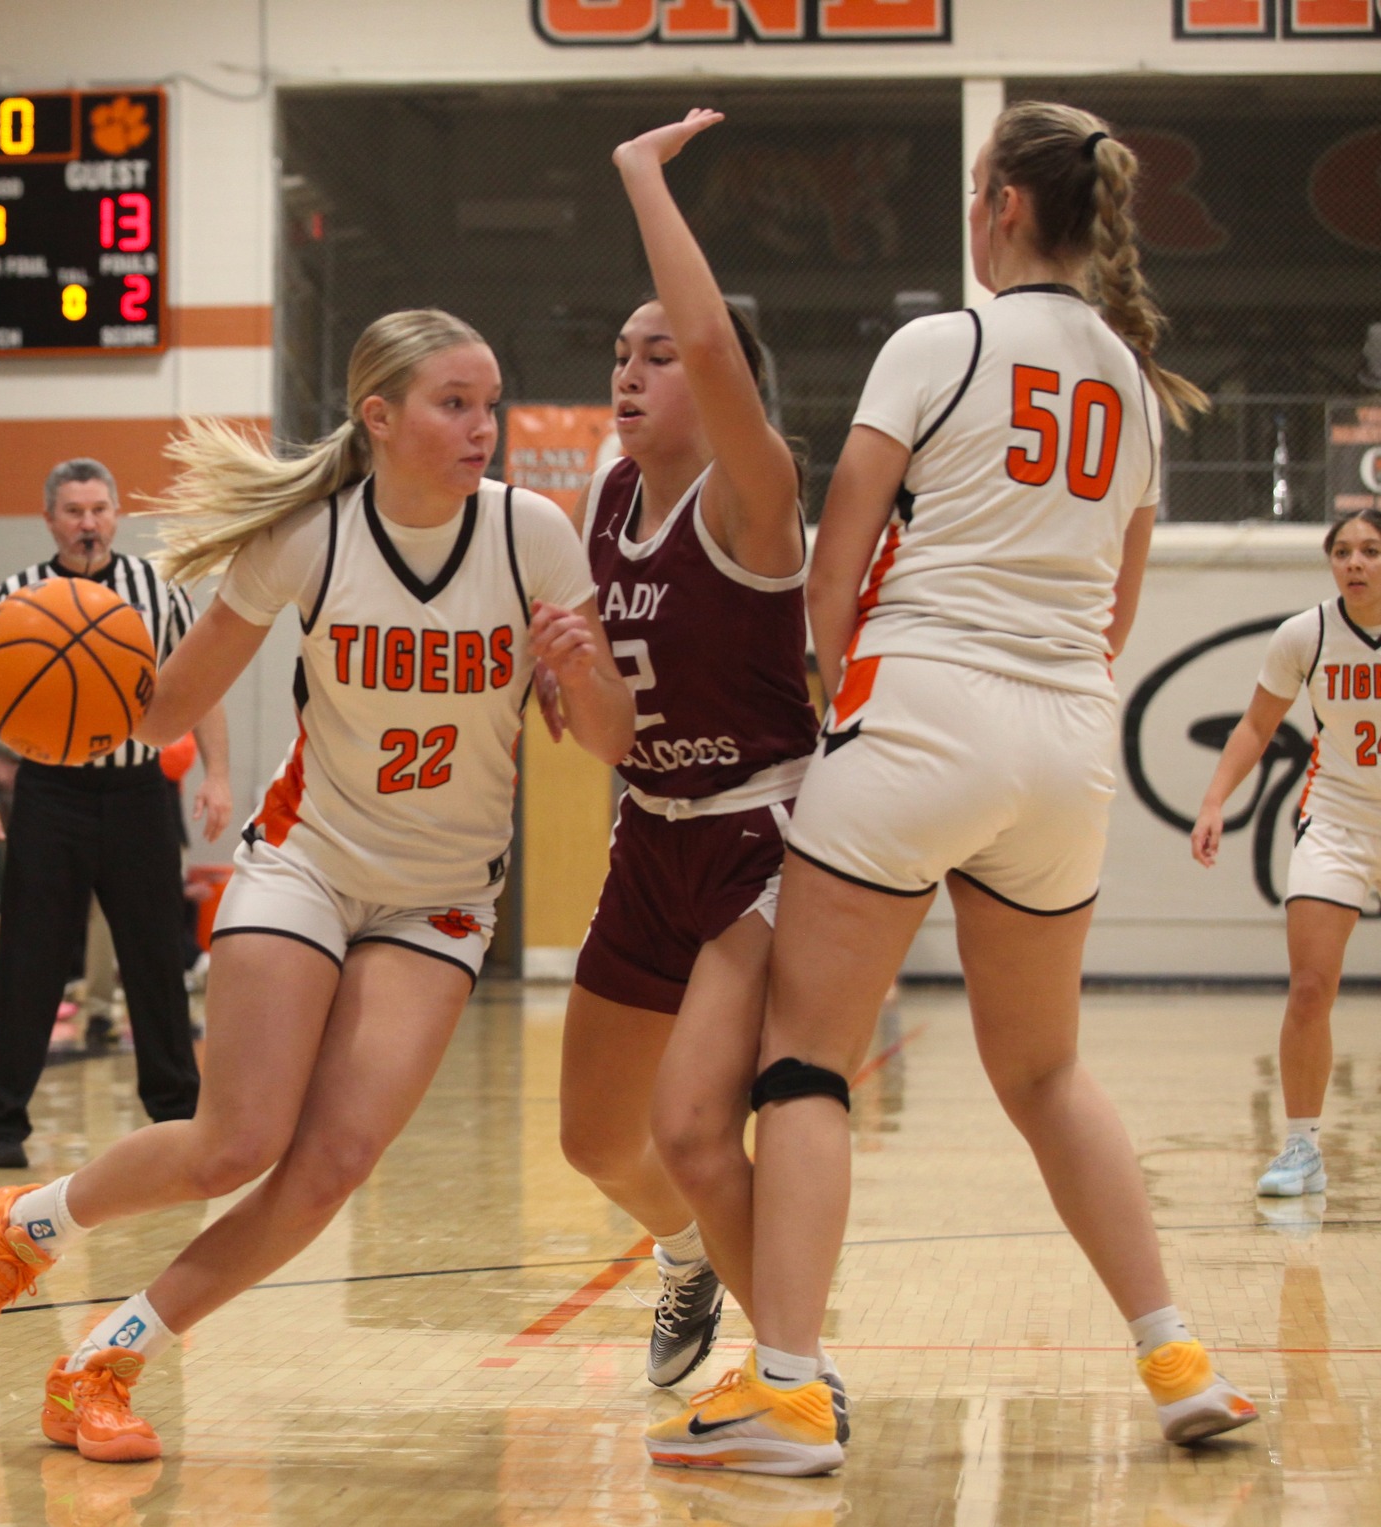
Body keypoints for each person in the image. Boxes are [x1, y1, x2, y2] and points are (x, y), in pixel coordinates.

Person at [653, 103, 1256, 1475]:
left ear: (996, 206)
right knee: (1046, 1067)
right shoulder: (1131, 374)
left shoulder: (942, 342)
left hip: (925, 710)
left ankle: (791, 1389)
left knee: (804, 1059)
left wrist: (832, 714)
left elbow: (834, 557)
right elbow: (1116, 612)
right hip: (1067, 746)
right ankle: (1176, 1355)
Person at [0, 309, 633, 1462]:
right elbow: (155, 712)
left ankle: (106, 1358)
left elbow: (607, 739)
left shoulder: (533, 536)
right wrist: (23, 662)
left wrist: (578, 667)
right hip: (306, 861)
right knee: (230, 1142)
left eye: (489, 401)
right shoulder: (308, 536)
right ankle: (26, 1224)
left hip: (441, 896)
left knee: (331, 1167)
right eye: (454, 403)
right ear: (381, 418)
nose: (481, 427)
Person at [556, 110, 825, 1402]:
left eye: (657, 355)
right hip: (649, 822)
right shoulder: (600, 503)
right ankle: (687, 1261)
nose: (631, 372)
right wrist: (569, 680)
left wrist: (637, 174)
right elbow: (604, 733)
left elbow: (713, 339)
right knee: (596, 1138)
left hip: (760, 835)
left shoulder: (752, 489)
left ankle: (792, 1375)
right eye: (619, 354)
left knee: (695, 1130)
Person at [0, 456, 234, 1171]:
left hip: (140, 791)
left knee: (155, 958)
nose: (88, 522)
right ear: (50, 518)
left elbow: (203, 683)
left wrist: (219, 774)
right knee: (30, 958)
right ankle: (3, 1120)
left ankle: (176, 1112)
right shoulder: (17, 596)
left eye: (100, 508)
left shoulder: (159, 589)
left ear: (117, 514)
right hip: (51, 793)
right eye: (74, 510)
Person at [1191, 507, 1381, 1199]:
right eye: (1343, 551)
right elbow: (1256, 724)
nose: (1355, 562)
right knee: (1309, 986)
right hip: (1339, 815)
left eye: (1370, 550)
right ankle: (1302, 1146)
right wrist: (1213, 802)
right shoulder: (1307, 633)